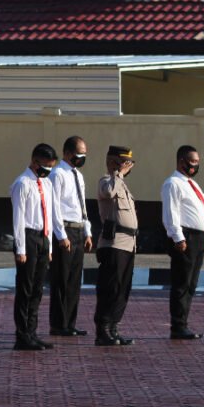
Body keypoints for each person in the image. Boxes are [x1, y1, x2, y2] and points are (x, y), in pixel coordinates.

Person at [11, 144, 68, 350]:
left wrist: (50, 247)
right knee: (25, 289)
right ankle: (22, 335)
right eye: (45, 166)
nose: (48, 171)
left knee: (37, 290)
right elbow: (18, 219)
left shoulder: (46, 184)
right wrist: (21, 249)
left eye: (51, 167)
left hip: (43, 238)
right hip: (28, 237)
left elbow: (51, 215)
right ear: (35, 162)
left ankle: (32, 332)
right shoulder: (22, 183)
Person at [161, 145, 204, 340]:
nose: (196, 166)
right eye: (193, 162)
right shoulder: (173, 183)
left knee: (191, 284)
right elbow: (171, 214)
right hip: (186, 238)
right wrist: (178, 238)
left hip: (199, 238)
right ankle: (178, 326)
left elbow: (202, 210)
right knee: (181, 283)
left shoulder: (192, 183)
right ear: (181, 161)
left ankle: (184, 323)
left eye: (198, 162)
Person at [48, 136, 94, 337]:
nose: (82, 158)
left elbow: (82, 206)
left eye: (84, 154)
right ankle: (58, 324)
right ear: (67, 153)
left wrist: (87, 231)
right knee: (61, 279)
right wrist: (60, 235)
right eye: (78, 154)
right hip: (64, 230)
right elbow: (54, 207)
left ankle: (70, 323)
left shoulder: (78, 175)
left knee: (74, 280)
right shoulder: (57, 174)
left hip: (78, 229)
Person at [94, 146, 138, 347]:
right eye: (123, 162)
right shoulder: (106, 181)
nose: (128, 166)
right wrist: (119, 174)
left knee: (122, 289)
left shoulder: (123, 185)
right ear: (112, 162)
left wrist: (121, 176)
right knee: (110, 288)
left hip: (129, 244)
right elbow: (109, 192)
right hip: (113, 243)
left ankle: (114, 328)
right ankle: (102, 330)